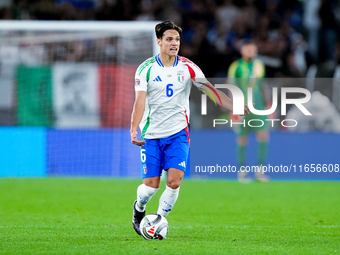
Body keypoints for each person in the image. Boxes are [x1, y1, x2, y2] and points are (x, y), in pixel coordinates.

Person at [130, 20, 250, 236]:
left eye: (177, 39)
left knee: (174, 182)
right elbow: (139, 102)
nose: (174, 43)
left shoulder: (188, 67)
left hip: (178, 134)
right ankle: (139, 208)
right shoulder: (145, 69)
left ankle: (156, 222)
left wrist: (236, 106)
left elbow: (212, 92)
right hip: (152, 135)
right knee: (150, 187)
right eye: (169, 39)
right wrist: (133, 129)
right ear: (159, 41)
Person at [228, 40, 270, 183]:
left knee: (263, 135)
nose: (251, 52)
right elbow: (231, 86)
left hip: (258, 106)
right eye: (248, 49)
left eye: (253, 49)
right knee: (242, 137)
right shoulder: (236, 66)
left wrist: (268, 104)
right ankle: (242, 172)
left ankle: (260, 171)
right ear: (242, 51)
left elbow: (263, 84)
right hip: (242, 106)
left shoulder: (259, 65)